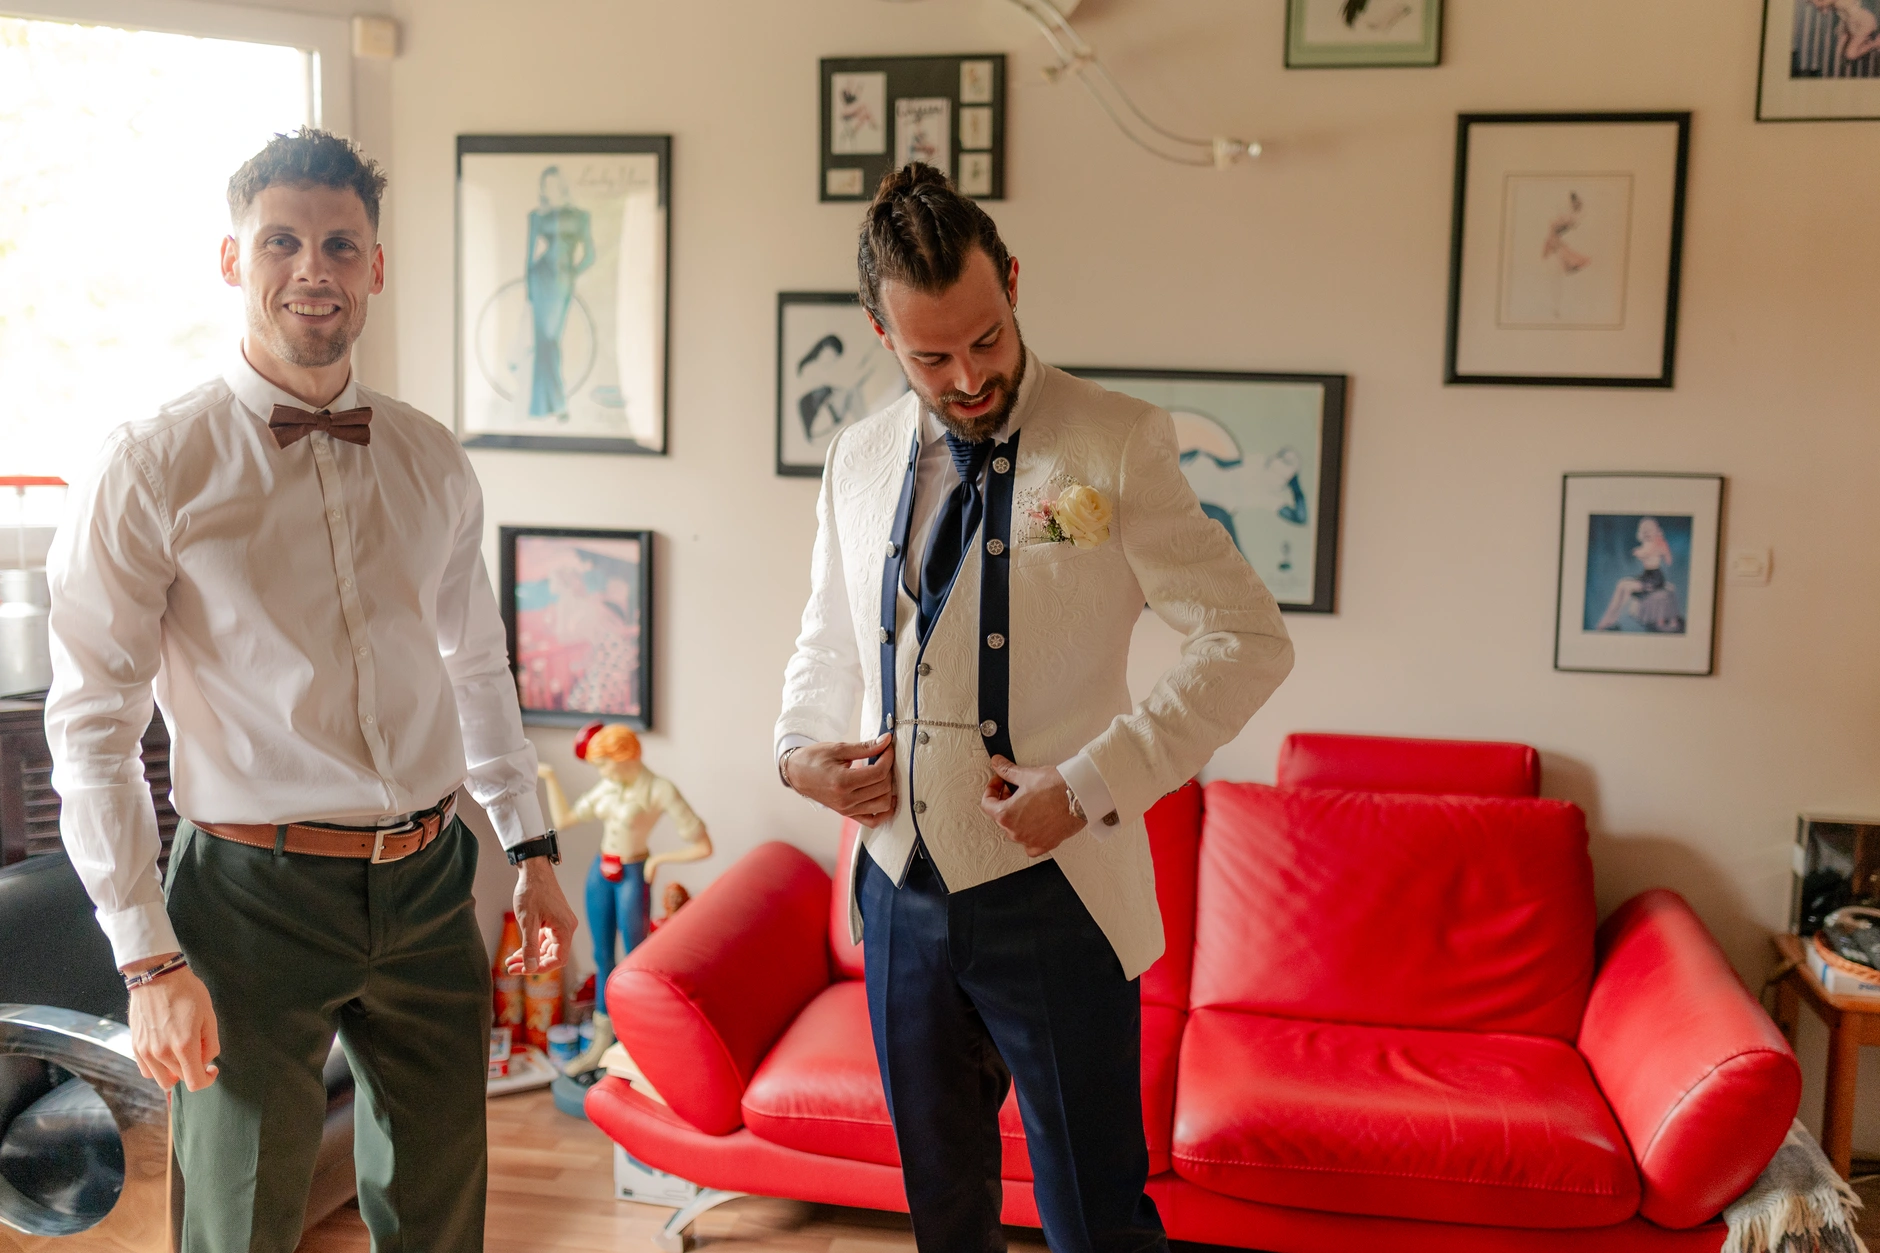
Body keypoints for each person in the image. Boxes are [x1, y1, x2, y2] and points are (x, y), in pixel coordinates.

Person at [43, 128, 579, 1253]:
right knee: (237, 1223)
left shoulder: (431, 458)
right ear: (231, 259)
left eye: (339, 244)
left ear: (375, 266)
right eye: (280, 241)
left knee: (441, 1216)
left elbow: (476, 666)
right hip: (250, 900)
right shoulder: (151, 465)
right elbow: (92, 729)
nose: (312, 269)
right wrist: (148, 959)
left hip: (431, 882)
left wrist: (531, 850)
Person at [774, 164, 1294, 1253]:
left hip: (1059, 894)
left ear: (1012, 283)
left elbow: (1248, 637)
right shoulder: (855, 459)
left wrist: (1094, 781)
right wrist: (796, 752)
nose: (969, 377)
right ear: (881, 334)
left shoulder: (1119, 441)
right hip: (897, 886)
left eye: (987, 338)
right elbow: (827, 634)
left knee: (1096, 1222)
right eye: (932, 357)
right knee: (942, 1211)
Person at [537, 723, 712, 1075]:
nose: (601, 771)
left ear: (624, 755)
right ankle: (603, 1039)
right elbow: (565, 819)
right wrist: (550, 778)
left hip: (633, 874)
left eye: (604, 763)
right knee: (602, 956)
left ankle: (637, 1040)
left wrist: (659, 861)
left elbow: (702, 845)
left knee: (635, 958)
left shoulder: (659, 789)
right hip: (601, 872)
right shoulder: (609, 787)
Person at [526, 164, 595, 418]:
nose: (551, 190)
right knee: (544, 341)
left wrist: (572, 272)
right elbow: (529, 256)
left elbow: (590, 254)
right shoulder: (537, 216)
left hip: (562, 282)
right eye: (547, 186)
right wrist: (529, 290)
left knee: (551, 340)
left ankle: (554, 403)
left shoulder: (580, 216)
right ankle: (550, 405)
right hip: (540, 278)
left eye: (554, 185)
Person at [1595, 515, 1683, 633]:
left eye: (1650, 530)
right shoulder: (1647, 543)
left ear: (1656, 530)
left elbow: (1666, 560)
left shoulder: (1658, 543)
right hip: (1646, 576)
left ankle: (1611, 620)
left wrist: (1664, 548)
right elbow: (1641, 552)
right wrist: (1641, 551)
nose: (1647, 533)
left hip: (1654, 578)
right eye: (1645, 530)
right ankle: (1609, 619)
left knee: (1627, 588)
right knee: (1621, 584)